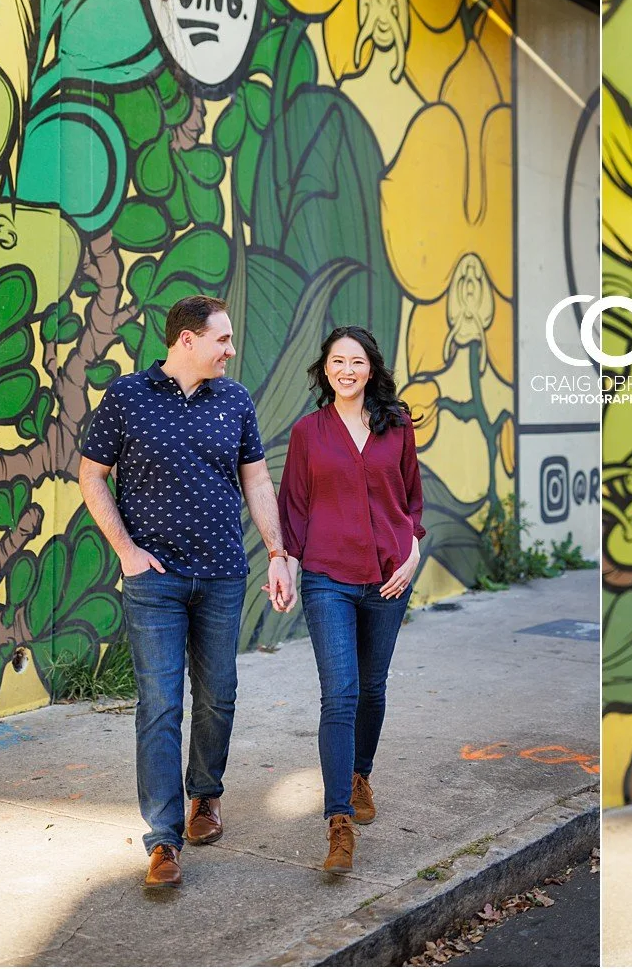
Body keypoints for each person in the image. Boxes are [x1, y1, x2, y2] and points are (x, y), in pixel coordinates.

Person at [79, 296, 294, 890]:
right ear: (186, 342)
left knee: (218, 696)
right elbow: (90, 473)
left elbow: (256, 478)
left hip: (224, 574)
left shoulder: (236, 400)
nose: (231, 349)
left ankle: (205, 795)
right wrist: (126, 551)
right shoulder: (126, 397)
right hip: (155, 580)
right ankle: (164, 839)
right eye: (222, 339)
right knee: (160, 703)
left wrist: (278, 554)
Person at [278, 325, 426, 877]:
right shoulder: (307, 433)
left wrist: (412, 556)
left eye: (356, 361)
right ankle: (338, 820)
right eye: (337, 361)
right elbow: (293, 508)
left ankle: (361, 772)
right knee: (339, 694)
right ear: (324, 369)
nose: (347, 370)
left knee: (372, 688)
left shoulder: (397, 426)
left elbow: (412, 500)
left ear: (371, 369)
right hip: (328, 579)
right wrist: (285, 568)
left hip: (391, 577)